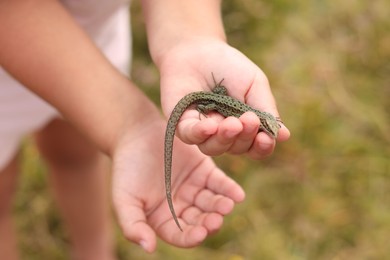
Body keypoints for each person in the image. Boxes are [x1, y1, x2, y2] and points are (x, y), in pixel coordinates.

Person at [0, 0, 290, 258]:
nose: (269, 126)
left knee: (78, 155)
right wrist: (129, 121)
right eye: (269, 125)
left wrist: (192, 39)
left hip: (97, 44)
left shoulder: (259, 115)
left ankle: (94, 252)